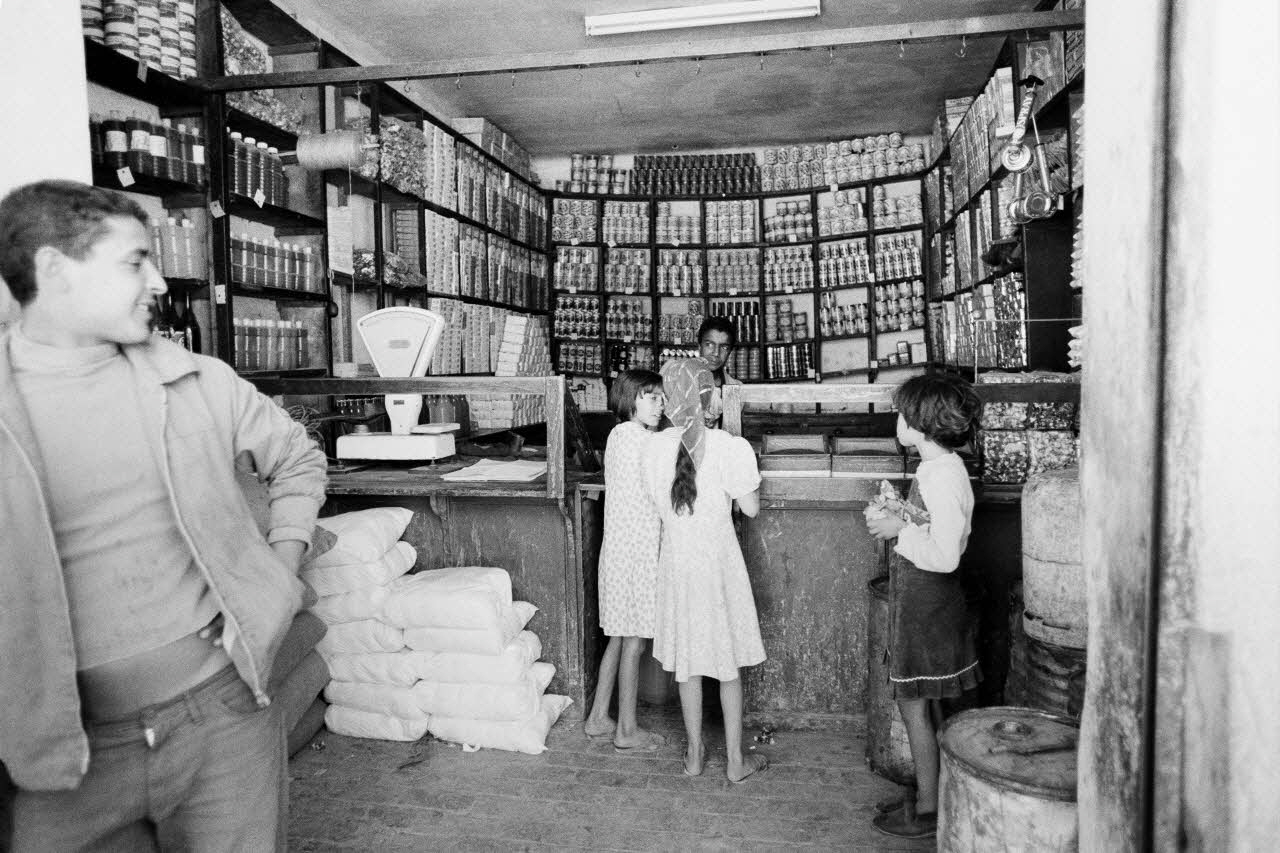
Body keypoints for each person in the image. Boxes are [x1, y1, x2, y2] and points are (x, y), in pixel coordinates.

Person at [0, 180, 328, 851]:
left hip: (223, 720)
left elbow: (297, 458)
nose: (157, 280)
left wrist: (279, 572)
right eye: (134, 262)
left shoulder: (197, 380)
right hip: (59, 757)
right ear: (54, 269)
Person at [863, 373, 983, 839]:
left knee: (915, 707)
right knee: (924, 706)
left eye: (901, 414)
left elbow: (947, 553)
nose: (897, 420)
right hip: (921, 603)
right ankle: (931, 794)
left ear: (919, 423)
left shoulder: (941, 474)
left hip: (929, 607)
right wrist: (904, 513)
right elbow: (936, 526)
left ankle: (931, 809)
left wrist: (900, 531)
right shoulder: (938, 467)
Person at [645, 357, 768, 783]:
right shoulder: (731, 446)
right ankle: (735, 761)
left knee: (689, 662)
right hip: (718, 566)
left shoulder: (655, 447)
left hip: (678, 564)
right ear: (706, 396)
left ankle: (694, 755)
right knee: (727, 661)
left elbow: (660, 506)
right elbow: (750, 508)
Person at [583, 368, 668, 752]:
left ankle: (599, 716)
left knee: (618, 638)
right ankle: (627, 731)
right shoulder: (641, 440)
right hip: (637, 554)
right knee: (633, 642)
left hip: (618, 552)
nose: (659, 403)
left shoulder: (620, 435)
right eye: (650, 396)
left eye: (662, 397)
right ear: (630, 399)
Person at [695, 316, 741, 427]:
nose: (716, 353)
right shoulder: (677, 376)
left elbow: (734, 434)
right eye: (709, 344)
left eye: (724, 347)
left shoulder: (735, 388)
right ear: (699, 346)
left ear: (730, 352)